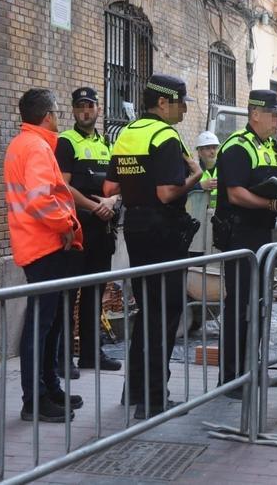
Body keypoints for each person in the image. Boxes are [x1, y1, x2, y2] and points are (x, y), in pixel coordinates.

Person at [103, 74, 203, 419]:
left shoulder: (128, 133)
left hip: (135, 227)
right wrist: (197, 176)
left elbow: (109, 186)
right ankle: (155, 400)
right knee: (166, 312)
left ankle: (134, 391)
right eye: (181, 102)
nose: (185, 109)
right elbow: (166, 192)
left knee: (147, 309)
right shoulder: (165, 136)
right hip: (164, 228)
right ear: (163, 103)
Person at [212, 90, 277, 399]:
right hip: (239, 236)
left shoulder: (268, 149)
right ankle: (232, 377)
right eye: (274, 115)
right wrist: (273, 202)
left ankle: (253, 367)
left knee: (260, 305)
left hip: (261, 237)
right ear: (255, 115)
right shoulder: (237, 147)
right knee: (239, 306)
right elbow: (236, 194)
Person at [4, 88, 85, 423]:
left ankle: (49, 387)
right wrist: (66, 225)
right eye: (58, 113)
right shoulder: (36, 147)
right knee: (41, 324)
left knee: (48, 324)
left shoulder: (24, 144)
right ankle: (34, 399)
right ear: (48, 115)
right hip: (44, 245)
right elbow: (40, 200)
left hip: (38, 243)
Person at [54, 87, 122, 374]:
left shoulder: (107, 144)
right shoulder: (66, 143)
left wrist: (112, 201)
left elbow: (119, 184)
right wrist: (94, 207)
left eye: (90, 106)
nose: (85, 111)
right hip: (77, 228)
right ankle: (63, 357)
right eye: (80, 106)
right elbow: (62, 186)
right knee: (69, 293)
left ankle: (92, 354)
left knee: (95, 292)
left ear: (97, 109)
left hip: (103, 228)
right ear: (73, 110)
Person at [194, 130, 220, 202]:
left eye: (214, 148)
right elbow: (181, 190)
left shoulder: (224, 169)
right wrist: (200, 186)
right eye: (208, 148)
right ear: (199, 151)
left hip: (219, 212)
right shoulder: (192, 170)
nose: (212, 152)